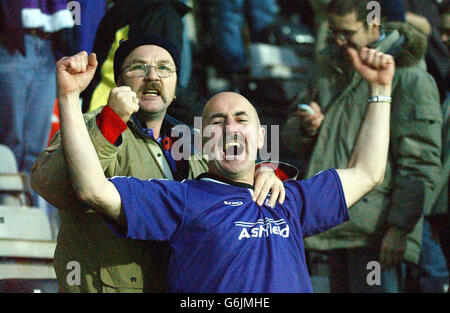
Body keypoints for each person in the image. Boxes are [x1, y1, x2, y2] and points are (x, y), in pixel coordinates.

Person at [54, 40, 395, 292]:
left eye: (240, 119)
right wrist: (69, 98)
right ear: (201, 142)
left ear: (261, 137)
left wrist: (380, 89)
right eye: (217, 122)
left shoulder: (287, 199)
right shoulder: (182, 199)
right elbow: (91, 189)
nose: (231, 127)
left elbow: (368, 173)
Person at [31, 36, 289, 293]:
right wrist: (110, 123)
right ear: (119, 82)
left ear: (175, 86)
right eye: (138, 67)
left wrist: (266, 172)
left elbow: (231, 188)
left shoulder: (192, 141)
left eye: (164, 68)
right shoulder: (87, 125)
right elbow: (53, 187)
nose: (152, 76)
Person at [281, 0, 443, 292]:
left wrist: (399, 229)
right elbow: (290, 135)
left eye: (347, 32)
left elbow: (419, 162)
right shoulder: (327, 65)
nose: (339, 41)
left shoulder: (411, 78)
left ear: (374, 26)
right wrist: (308, 127)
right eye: (333, 33)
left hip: (376, 235)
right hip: (331, 222)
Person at [0, 0, 75, 190]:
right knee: (11, 140)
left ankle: (31, 208)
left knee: (37, 145)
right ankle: (8, 206)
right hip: (13, 44)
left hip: (49, 46)